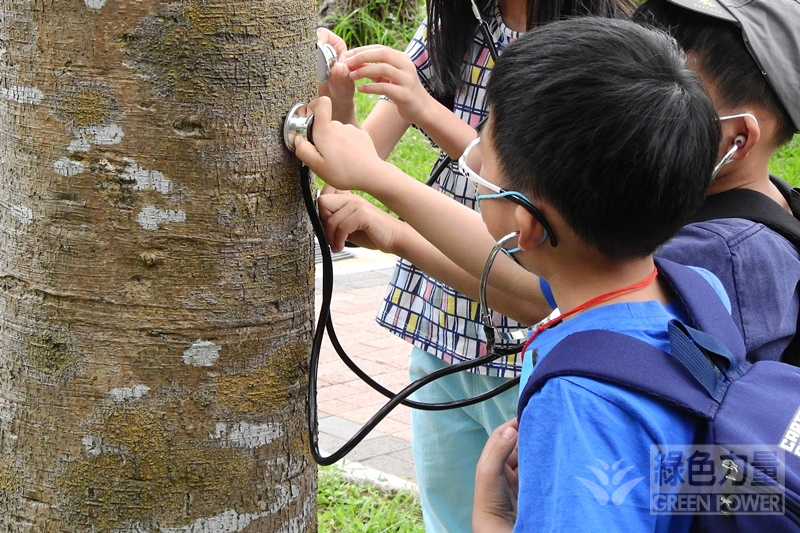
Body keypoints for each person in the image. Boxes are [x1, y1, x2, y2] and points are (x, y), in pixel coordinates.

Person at [295, 15, 722, 531]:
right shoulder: (690, 290)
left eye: (484, 144)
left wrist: (492, 518)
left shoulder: (579, 405)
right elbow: (501, 267)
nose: (471, 158)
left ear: (525, 223)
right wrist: (384, 203)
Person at [634, 0, 800, 364]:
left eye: (672, 96)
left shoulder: (724, 251)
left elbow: (560, 299)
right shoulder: (767, 197)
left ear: (739, 138)